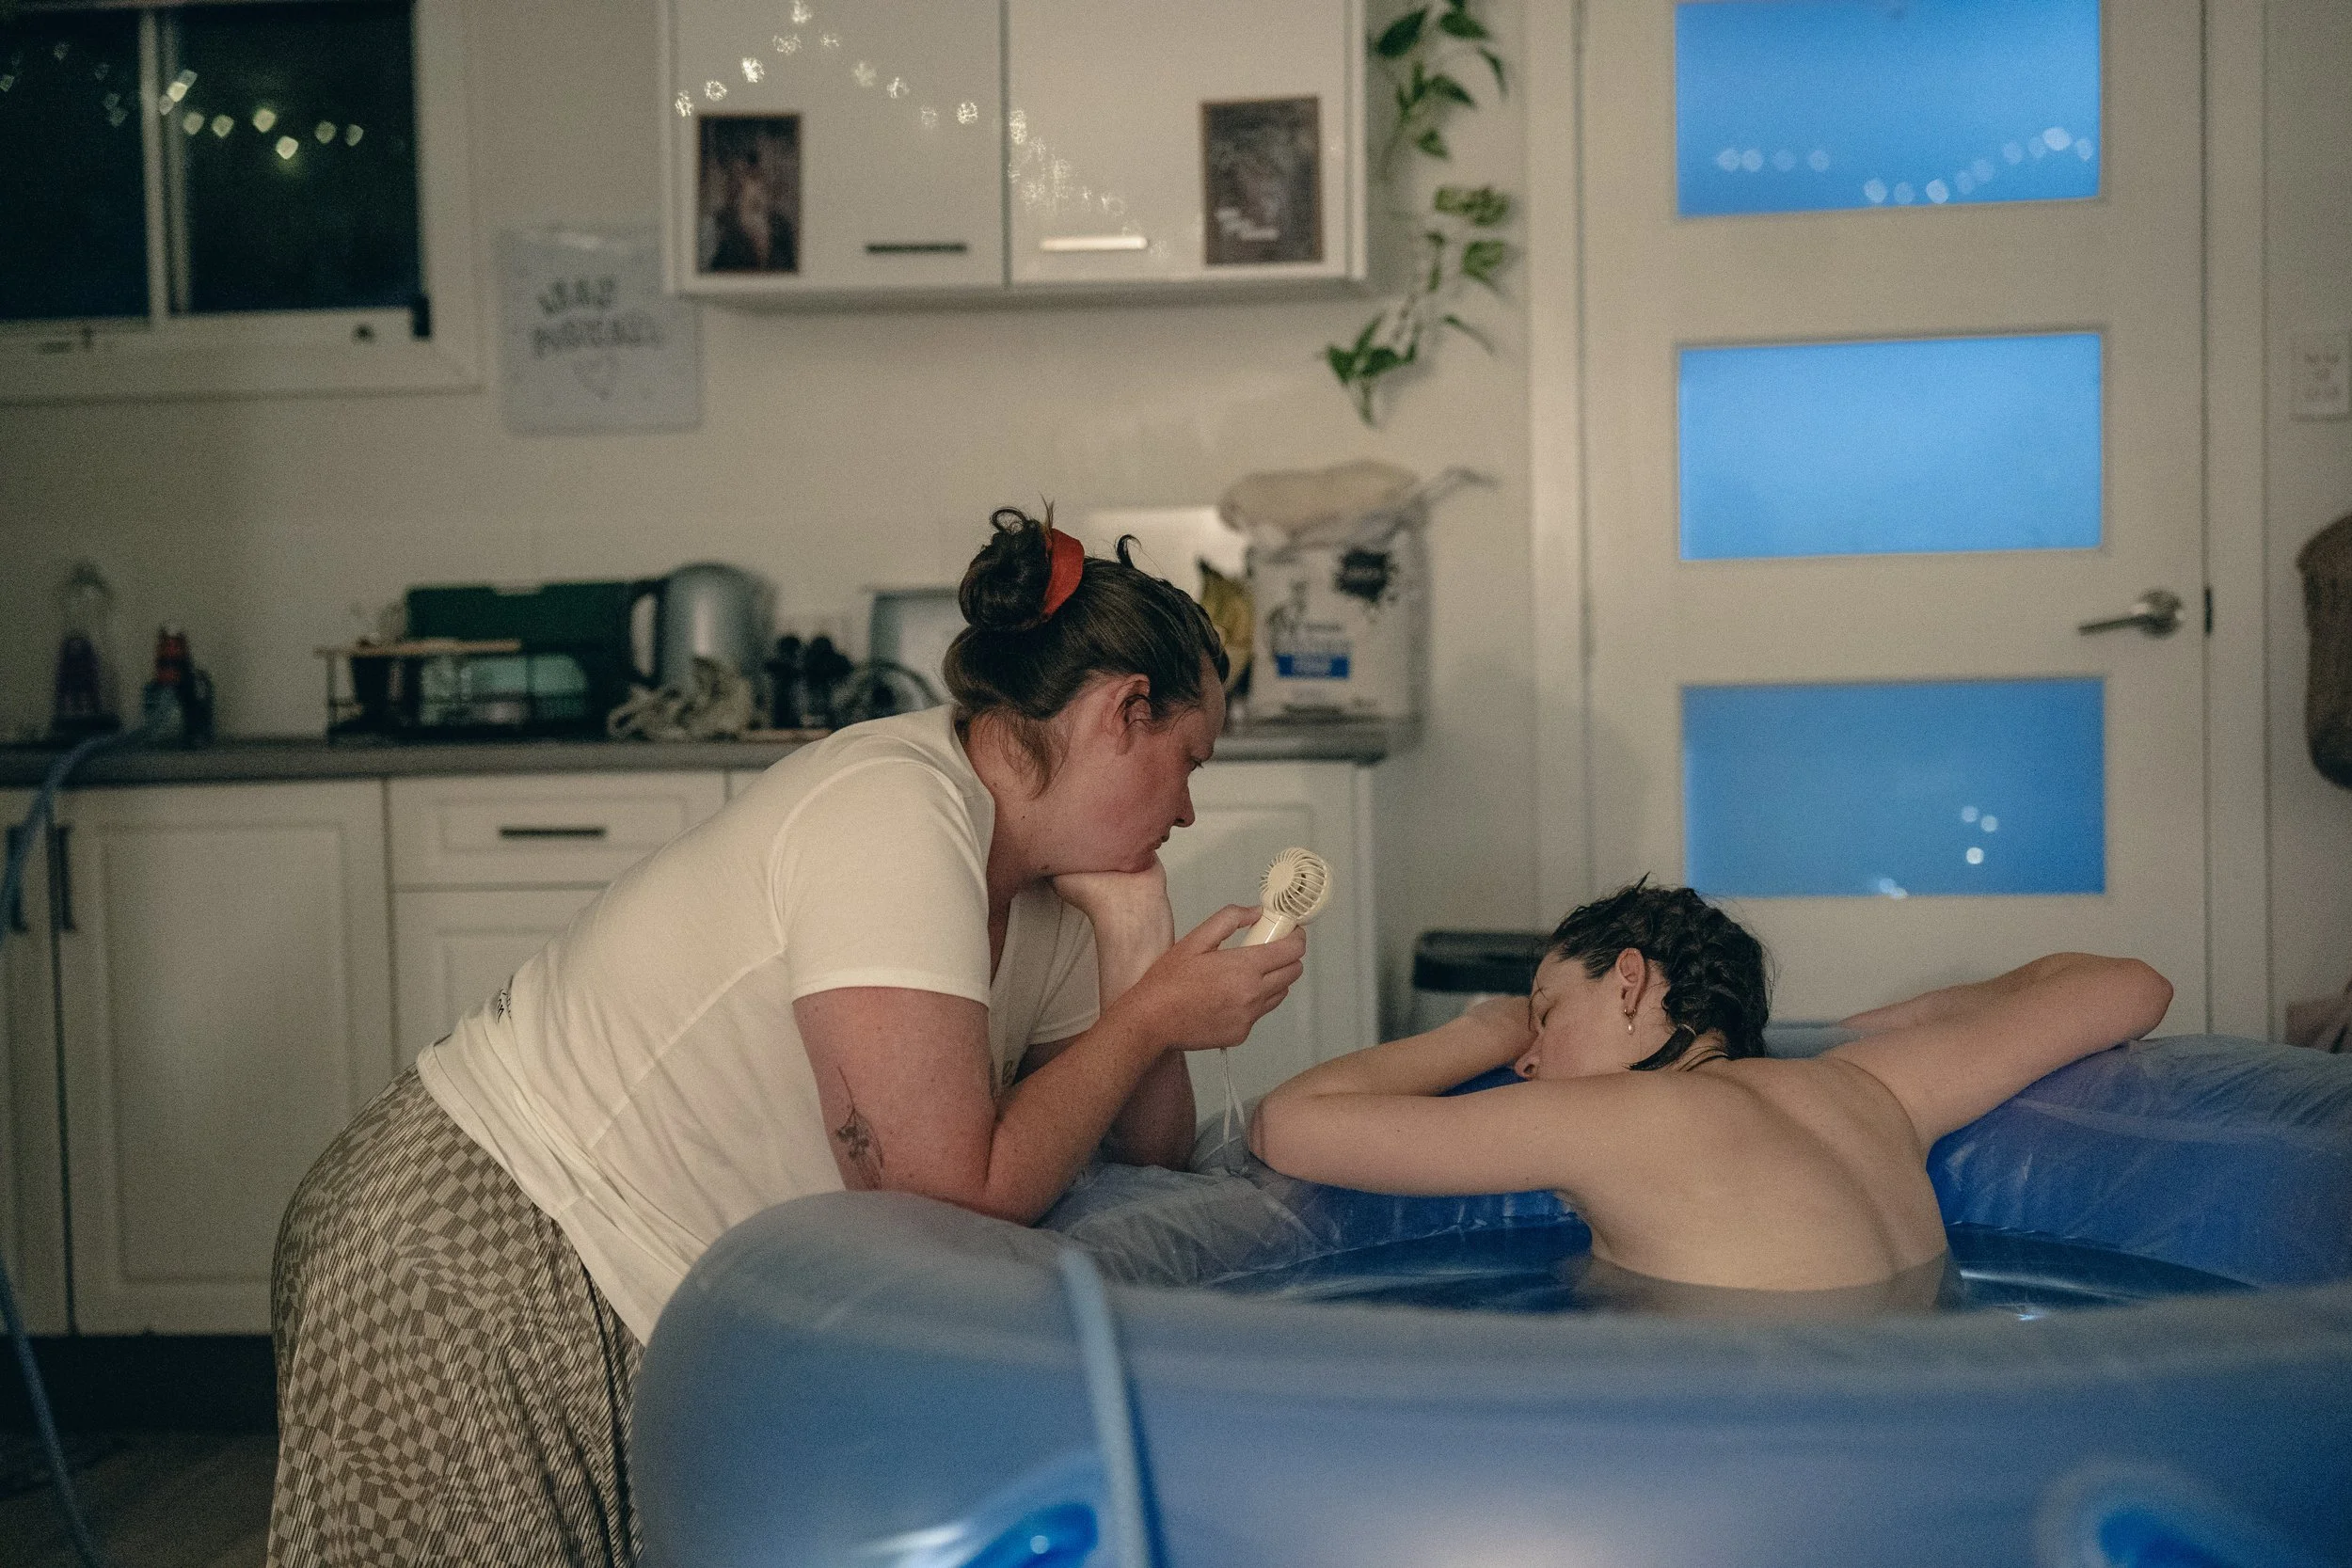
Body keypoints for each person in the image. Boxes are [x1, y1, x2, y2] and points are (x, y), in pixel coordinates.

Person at [267, 508, 1305, 1568]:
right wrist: (1149, 1016)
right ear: (1124, 711)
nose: (1183, 810)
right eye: (1189, 762)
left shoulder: (1046, 893)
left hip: (646, 1281)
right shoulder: (894, 812)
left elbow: (1144, 1160)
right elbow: (941, 1190)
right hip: (476, 1247)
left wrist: (1139, 942)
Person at [1250, 881, 2170, 1310]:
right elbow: (2128, 985)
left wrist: (1474, 1032)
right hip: (1942, 1411)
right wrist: (1935, 1010)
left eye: (1543, 1012)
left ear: (1626, 982)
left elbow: (1288, 1126)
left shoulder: (1615, 1116)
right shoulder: (1869, 1083)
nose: (1528, 1056)